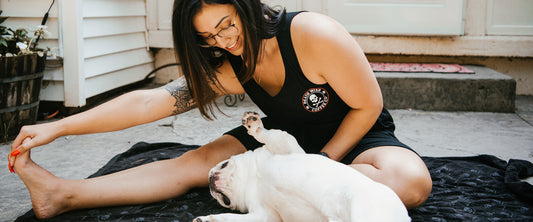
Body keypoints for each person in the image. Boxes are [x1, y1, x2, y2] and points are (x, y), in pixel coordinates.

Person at [8, 0, 432, 219]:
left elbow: (368, 104)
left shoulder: (312, 33)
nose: (223, 42)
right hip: (280, 139)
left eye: (226, 25)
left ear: (245, 6)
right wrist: (61, 128)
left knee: (410, 182)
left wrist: (317, 165)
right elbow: (148, 101)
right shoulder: (230, 65)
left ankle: (281, 195)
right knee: (193, 163)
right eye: (207, 38)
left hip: (356, 135)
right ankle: (62, 194)